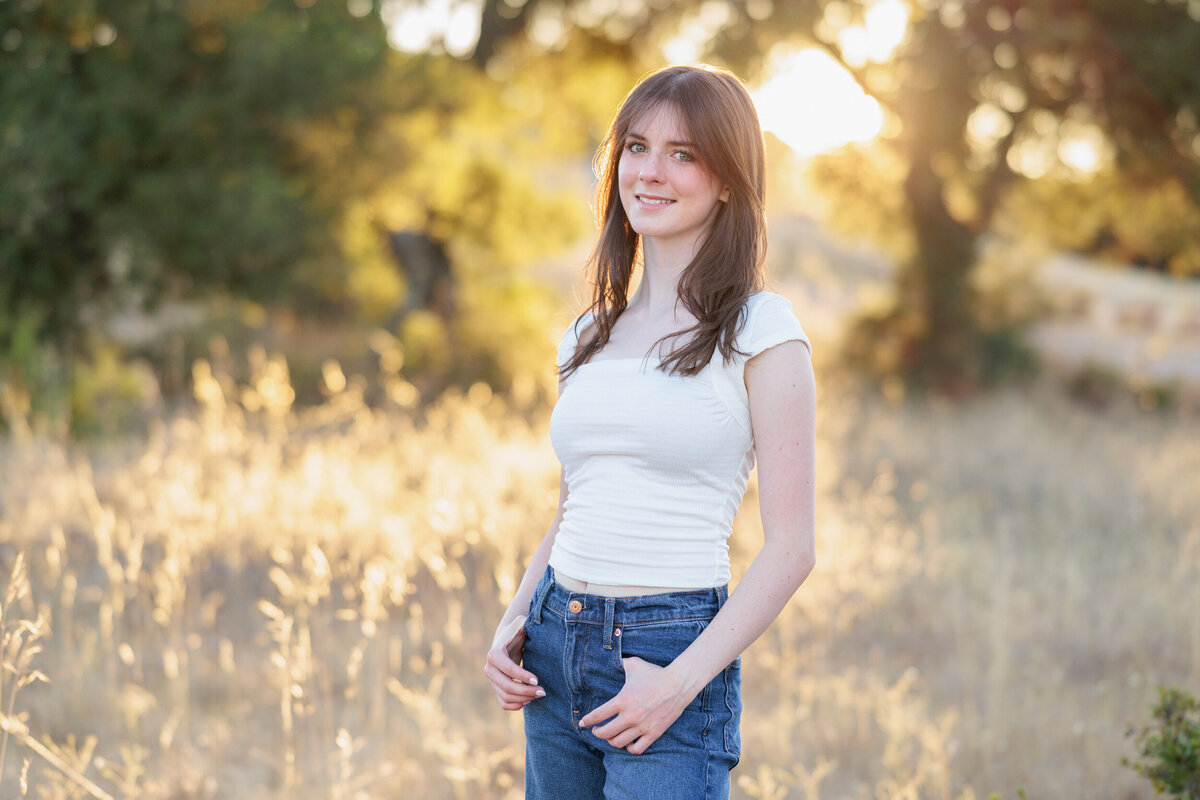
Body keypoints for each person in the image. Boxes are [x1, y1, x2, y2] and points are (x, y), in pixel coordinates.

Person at [483, 63, 817, 800]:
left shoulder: (762, 331)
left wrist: (680, 684)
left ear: (728, 180)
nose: (651, 172)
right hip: (553, 642)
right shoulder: (586, 335)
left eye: (684, 153)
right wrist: (514, 618)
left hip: (671, 648)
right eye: (637, 147)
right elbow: (576, 506)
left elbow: (793, 548)